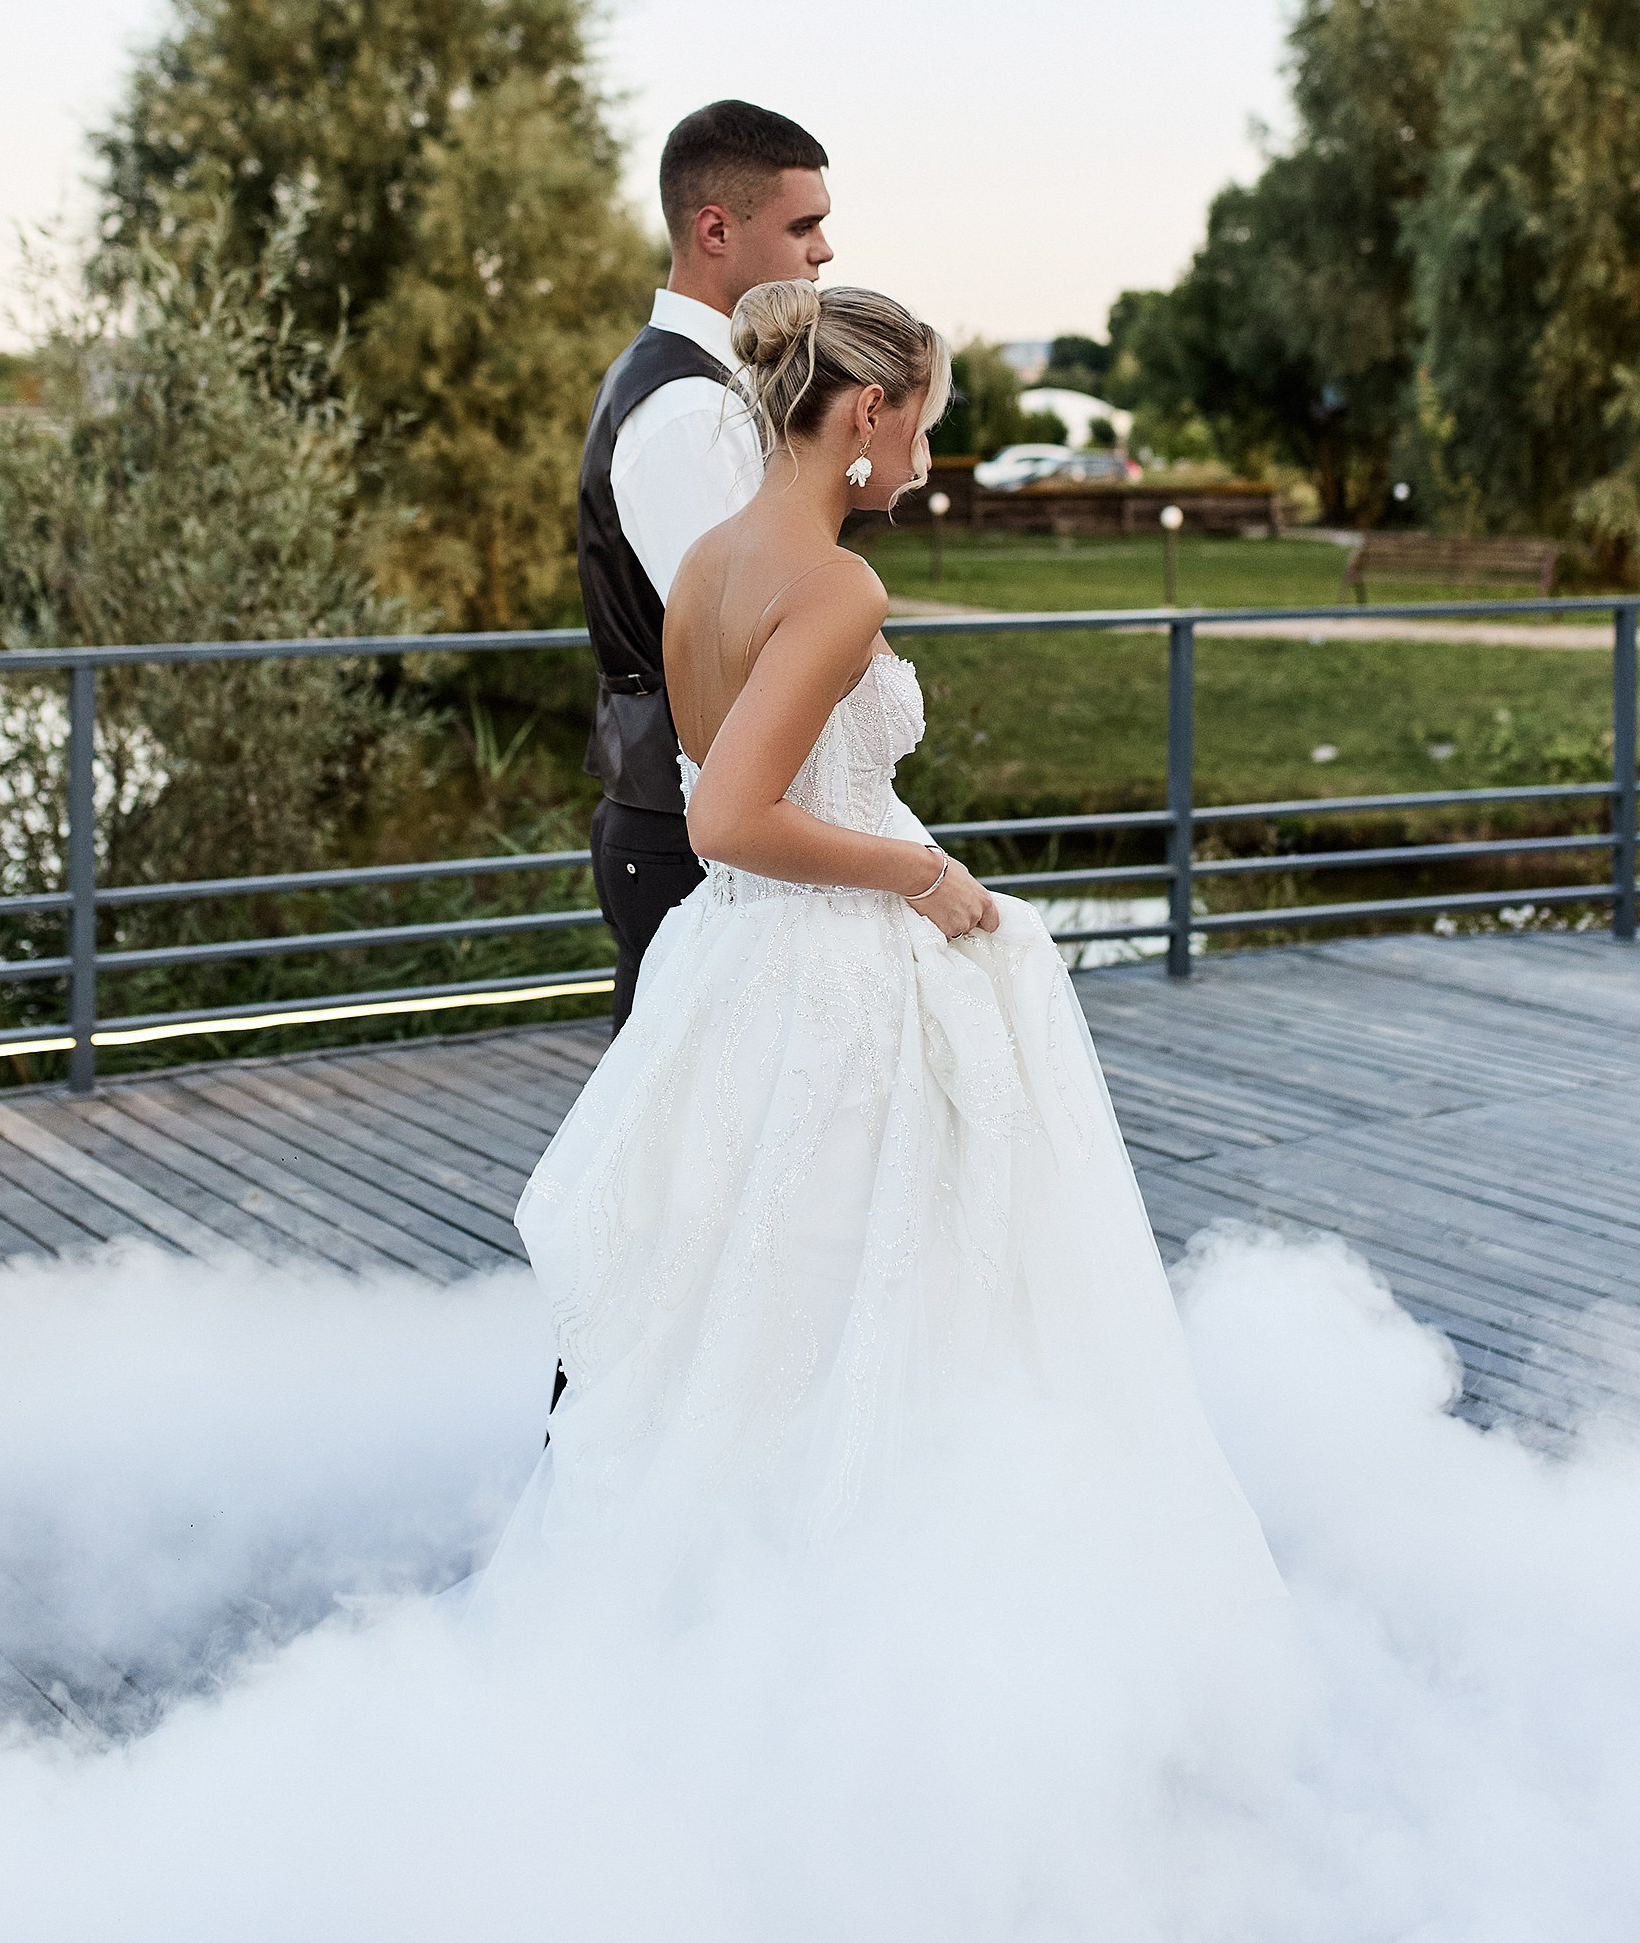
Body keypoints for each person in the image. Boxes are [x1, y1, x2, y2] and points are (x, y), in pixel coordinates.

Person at [498, 281, 1283, 1619]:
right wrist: (919, 871)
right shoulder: (838, 585)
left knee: (749, 1330)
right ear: (867, 412)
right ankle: (878, 1621)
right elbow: (732, 815)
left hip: (728, 968)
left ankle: (709, 1610)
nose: (930, 453)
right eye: (926, 419)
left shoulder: (705, 562)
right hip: (829, 983)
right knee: (892, 1314)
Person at [577, 98, 832, 1034]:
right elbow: (744, 637)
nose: (823, 252)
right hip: (689, 828)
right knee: (689, 1151)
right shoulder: (686, 409)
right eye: (804, 226)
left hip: (703, 815)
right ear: (716, 229)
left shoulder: (708, 387)